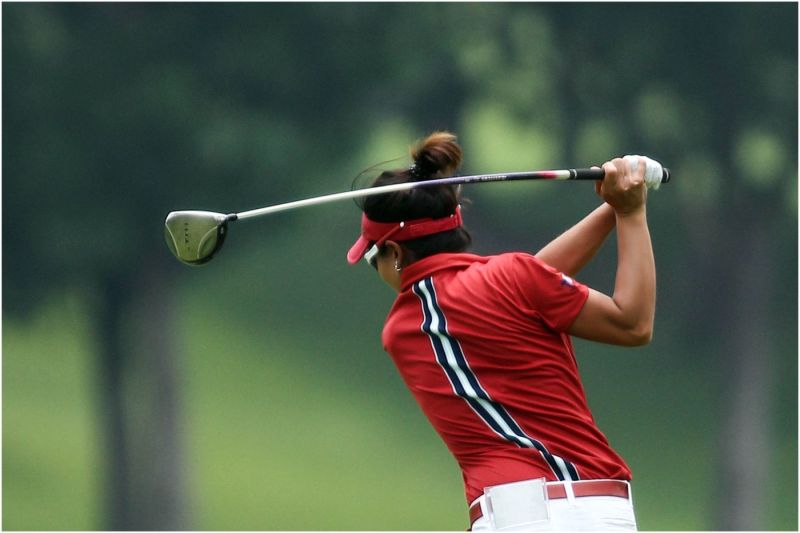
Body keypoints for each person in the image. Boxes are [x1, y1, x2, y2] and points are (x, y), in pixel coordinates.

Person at [346, 131, 655, 531]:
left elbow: (531, 283)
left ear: (398, 253)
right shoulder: (512, 280)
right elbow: (631, 322)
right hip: (590, 508)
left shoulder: (402, 329)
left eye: (373, 255)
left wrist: (617, 206)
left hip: (511, 517)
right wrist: (630, 212)